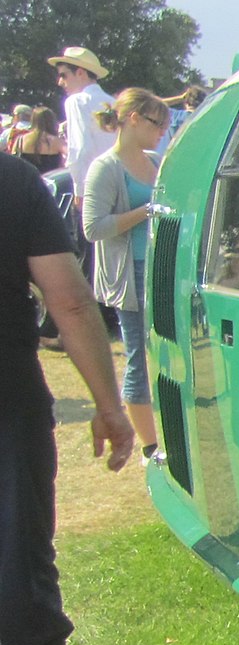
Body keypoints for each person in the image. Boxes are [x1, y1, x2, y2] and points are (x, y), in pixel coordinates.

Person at [2, 152, 137, 645]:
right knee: (15, 541)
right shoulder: (10, 179)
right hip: (7, 398)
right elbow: (71, 300)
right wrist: (109, 406)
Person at [81, 88, 168, 459]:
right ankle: (150, 448)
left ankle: (164, 436)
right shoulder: (105, 167)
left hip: (159, 270)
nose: (162, 130)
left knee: (164, 353)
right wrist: (145, 212)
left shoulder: (156, 161)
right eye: (156, 122)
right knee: (138, 354)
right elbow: (93, 228)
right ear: (133, 118)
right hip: (130, 275)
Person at [48, 47, 113, 204]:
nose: (60, 82)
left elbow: (80, 149)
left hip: (93, 186)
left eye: (64, 75)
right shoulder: (114, 102)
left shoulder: (76, 101)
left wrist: (80, 190)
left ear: (80, 73)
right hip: (117, 183)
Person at [13, 108, 65, 175]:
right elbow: (72, 157)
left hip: (25, 181)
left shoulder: (20, 140)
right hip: (48, 181)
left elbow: (13, 161)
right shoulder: (57, 141)